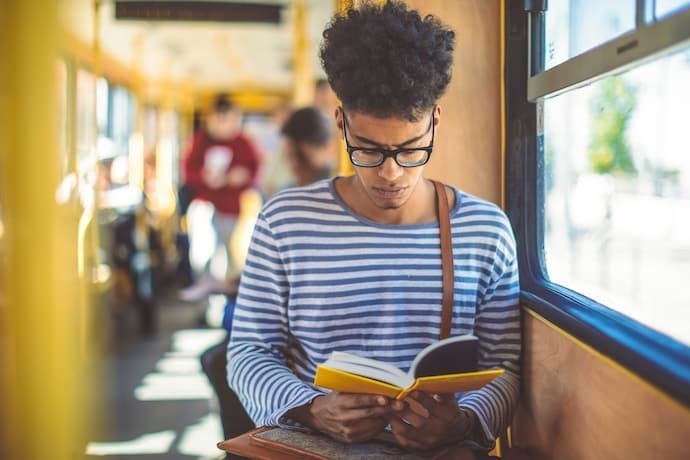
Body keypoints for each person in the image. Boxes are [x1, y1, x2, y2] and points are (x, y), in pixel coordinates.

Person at [227, 1, 520, 456]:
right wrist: (311, 407)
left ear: (435, 122)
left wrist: (461, 422)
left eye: (410, 150)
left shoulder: (486, 230)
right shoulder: (284, 221)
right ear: (341, 123)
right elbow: (248, 352)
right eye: (368, 150)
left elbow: (505, 369)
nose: (390, 173)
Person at [201, 106, 336, 447]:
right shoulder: (290, 197)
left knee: (220, 359)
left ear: (320, 149)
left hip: (305, 325)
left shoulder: (329, 199)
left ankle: (247, 443)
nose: (292, 164)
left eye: (297, 157)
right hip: (288, 312)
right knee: (223, 354)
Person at [179, 94, 262, 301]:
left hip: (235, 208)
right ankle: (207, 293)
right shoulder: (200, 141)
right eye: (222, 119)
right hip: (206, 204)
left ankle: (231, 297)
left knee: (234, 256)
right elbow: (188, 171)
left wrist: (241, 176)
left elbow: (255, 171)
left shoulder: (244, 143)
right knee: (204, 253)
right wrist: (204, 177)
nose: (226, 125)